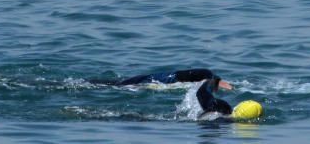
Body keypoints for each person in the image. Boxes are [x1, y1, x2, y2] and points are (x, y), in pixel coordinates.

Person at [93, 68, 236, 116]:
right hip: (154, 79)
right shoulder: (205, 78)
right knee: (118, 85)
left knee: (113, 84)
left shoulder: (203, 80)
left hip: (158, 77)